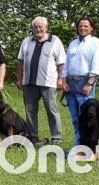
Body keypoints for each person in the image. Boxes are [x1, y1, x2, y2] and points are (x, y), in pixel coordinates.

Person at [16, 17, 66, 146]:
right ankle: (33, 136)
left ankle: (56, 138)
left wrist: (61, 79)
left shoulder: (55, 41)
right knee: (30, 111)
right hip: (29, 83)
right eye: (35, 27)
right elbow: (20, 61)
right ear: (32, 28)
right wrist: (19, 78)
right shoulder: (26, 41)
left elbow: (61, 63)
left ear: (46, 27)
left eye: (41, 26)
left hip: (48, 83)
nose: (38, 29)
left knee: (51, 110)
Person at [60, 17, 99, 146]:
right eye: (80, 26)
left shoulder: (96, 43)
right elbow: (66, 63)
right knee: (75, 119)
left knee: (88, 119)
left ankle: (89, 148)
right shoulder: (73, 43)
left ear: (92, 28)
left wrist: (90, 83)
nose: (82, 28)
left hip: (85, 83)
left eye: (86, 26)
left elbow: (97, 65)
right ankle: (78, 147)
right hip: (71, 84)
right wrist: (64, 81)